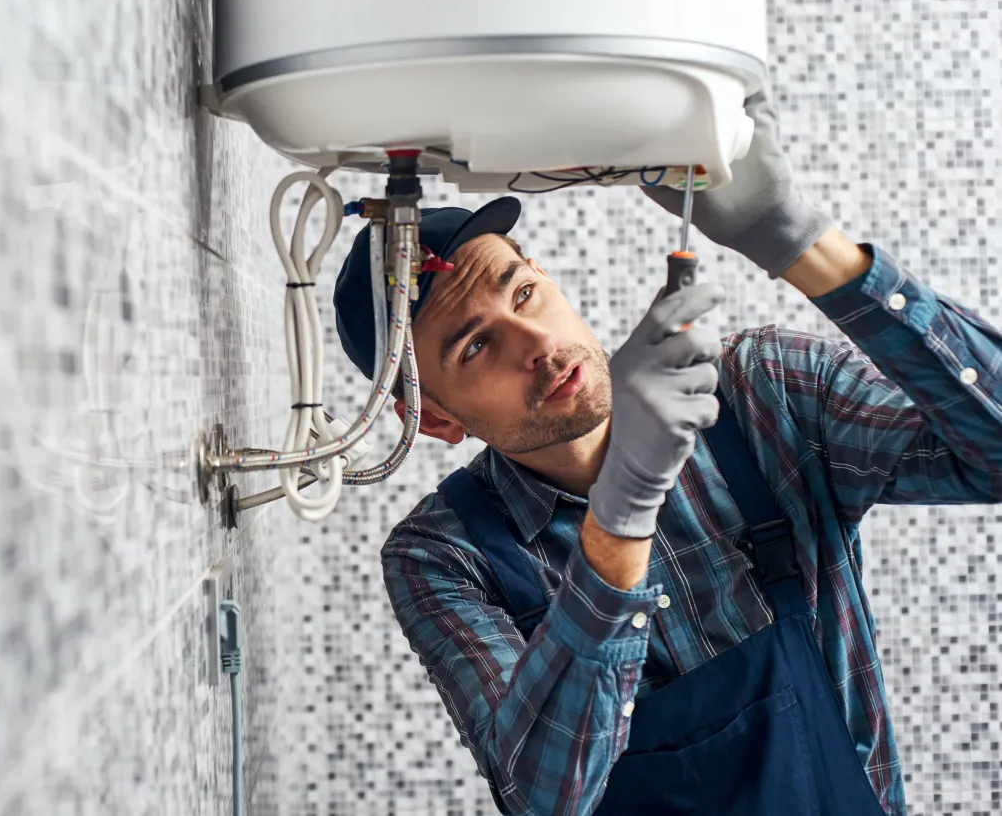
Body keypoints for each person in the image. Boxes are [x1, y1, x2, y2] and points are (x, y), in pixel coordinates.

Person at [330, 88, 1002, 816]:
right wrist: (621, 515)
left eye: (521, 293)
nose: (539, 346)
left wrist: (799, 240)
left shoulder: (760, 394)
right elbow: (546, 796)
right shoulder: (442, 556)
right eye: (476, 345)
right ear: (434, 420)